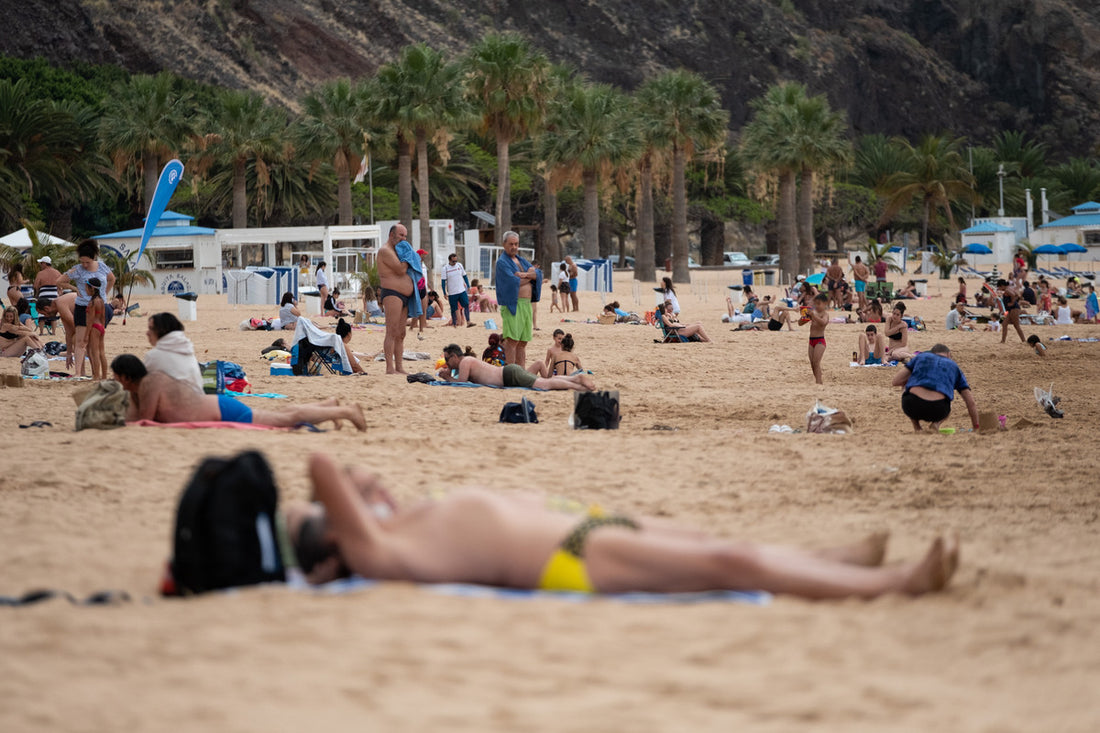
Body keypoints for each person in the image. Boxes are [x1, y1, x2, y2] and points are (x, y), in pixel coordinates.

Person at [285, 452, 959, 599]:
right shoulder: (380, 551)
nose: (360, 483)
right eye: (345, 501)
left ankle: (833, 559)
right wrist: (329, 498)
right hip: (570, 558)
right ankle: (899, 581)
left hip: (579, 524)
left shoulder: (398, 522)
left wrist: (360, 487)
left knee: (715, 544)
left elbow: (343, 484)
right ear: (338, 535)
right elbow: (318, 470)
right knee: (731, 564)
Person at [111, 354, 366, 430]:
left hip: (222, 411)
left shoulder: (149, 384)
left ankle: (347, 411)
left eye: (115, 377)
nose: (114, 382)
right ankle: (327, 404)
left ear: (125, 376)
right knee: (279, 414)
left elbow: (144, 418)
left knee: (285, 420)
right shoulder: (142, 388)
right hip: (219, 407)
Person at [56, 239, 115, 377]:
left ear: (93, 258)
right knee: (81, 341)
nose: (84, 265)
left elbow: (112, 279)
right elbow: (59, 281)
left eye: (87, 262)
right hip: (83, 307)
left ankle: (98, 375)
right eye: (82, 261)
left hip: (100, 308)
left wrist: (105, 293)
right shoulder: (77, 269)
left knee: (96, 345)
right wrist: (73, 287)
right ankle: (78, 373)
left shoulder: (102, 266)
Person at [891, 344, 979, 433]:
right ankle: (936, 424)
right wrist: (976, 426)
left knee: (905, 386)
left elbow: (896, 381)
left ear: (932, 353)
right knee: (947, 399)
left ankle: (917, 427)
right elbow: (970, 402)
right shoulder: (954, 366)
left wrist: (913, 378)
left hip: (912, 406)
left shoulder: (921, 357)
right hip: (938, 410)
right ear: (949, 354)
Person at [437, 343, 594, 391]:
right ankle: (574, 380)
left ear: (455, 356)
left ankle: (577, 384)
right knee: (542, 381)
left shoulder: (465, 362)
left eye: (447, 359)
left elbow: (462, 383)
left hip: (509, 375)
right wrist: (450, 372)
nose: (446, 362)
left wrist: (447, 377)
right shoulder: (467, 361)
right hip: (509, 374)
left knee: (545, 384)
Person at [378, 224, 420, 374]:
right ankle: (390, 368)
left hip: (404, 296)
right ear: (391, 235)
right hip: (392, 293)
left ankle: (399, 367)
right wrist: (410, 256)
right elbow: (401, 269)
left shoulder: (398, 251)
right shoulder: (385, 251)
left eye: (405, 236)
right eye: (401, 235)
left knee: (401, 333)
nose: (404, 239)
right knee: (392, 331)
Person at [495, 231, 540, 366]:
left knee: (523, 342)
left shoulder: (521, 260)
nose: (514, 247)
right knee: (512, 340)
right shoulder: (502, 262)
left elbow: (537, 273)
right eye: (511, 244)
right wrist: (530, 276)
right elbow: (512, 282)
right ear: (504, 244)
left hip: (527, 304)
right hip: (513, 305)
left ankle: (521, 372)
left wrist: (524, 275)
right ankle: (511, 372)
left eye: (516, 244)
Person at [144, 312, 204, 394]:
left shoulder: (154, 356)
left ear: (161, 330)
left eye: (151, 328)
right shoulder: (186, 349)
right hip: (198, 399)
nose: (147, 333)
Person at [35, 293, 76, 367]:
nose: (46, 317)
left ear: (47, 308)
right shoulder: (60, 305)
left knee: (78, 340)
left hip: (93, 309)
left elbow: (74, 326)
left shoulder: (61, 305)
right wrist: (69, 354)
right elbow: (68, 333)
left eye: (44, 314)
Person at [84, 278, 107, 380]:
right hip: (101, 327)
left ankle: (96, 375)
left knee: (94, 352)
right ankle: (104, 376)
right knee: (102, 352)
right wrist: (102, 328)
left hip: (94, 327)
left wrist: (86, 335)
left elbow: (90, 320)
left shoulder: (92, 303)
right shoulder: (101, 300)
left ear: (92, 288)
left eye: (87, 288)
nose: (86, 290)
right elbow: (103, 317)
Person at [441, 252, 471, 327]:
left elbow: (464, 276)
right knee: (453, 308)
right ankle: (454, 323)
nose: (455, 262)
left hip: (461, 290)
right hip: (452, 292)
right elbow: (443, 281)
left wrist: (468, 286)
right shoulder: (445, 268)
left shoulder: (459, 265)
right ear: (449, 260)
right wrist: (444, 293)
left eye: (456, 261)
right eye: (453, 261)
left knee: (466, 304)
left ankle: (468, 321)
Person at [807, 293, 829, 384]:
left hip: (820, 340)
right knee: (812, 363)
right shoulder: (814, 313)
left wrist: (813, 316)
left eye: (819, 304)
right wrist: (804, 316)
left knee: (816, 362)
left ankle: (819, 382)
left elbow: (823, 323)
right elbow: (800, 323)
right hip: (811, 340)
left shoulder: (825, 314)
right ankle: (818, 380)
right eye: (815, 303)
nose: (816, 306)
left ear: (825, 304)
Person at [996, 280, 1027, 344]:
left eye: (999, 287)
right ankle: (1003, 341)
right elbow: (1017, 295)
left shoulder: (1007, 290)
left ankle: (1023, 340)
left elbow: (1013, 295)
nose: (999, 289)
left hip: (1013, 309)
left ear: (1002, 286)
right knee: (1004, 324)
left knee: (1016, 325)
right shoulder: (1009, 288)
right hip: (1008, 310)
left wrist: (1012, 302)